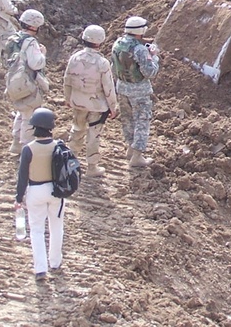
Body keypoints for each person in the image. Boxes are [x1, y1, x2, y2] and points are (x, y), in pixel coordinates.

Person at [14, 107, 64, 282]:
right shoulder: (58, 146)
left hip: (35, 191)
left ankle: (40, 269)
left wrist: (18, 198)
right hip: (56, 191)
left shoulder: (28, 149)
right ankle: (56, 263)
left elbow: (22, 176)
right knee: (56, 227)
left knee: (36, 230)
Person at [63, 24, 119, 177]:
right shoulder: (102, 63)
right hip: (96, 105)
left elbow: (67, 80)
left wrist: (68, 98)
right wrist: (113, 107)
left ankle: (71, 163)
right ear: (101, 41)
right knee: (93, 135)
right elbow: (108, 88)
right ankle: (92, 167)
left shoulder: (75, 57)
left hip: (78, 102)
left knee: (77, 130)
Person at [111, 16, 160, 168]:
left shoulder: (118, 43)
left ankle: (130, 148)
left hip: (122, 87)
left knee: (127, 119)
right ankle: (137, 156)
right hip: (138, 90)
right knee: (142, 120)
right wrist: (154, 57)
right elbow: (150, 72)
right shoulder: (139, 49)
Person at [5, 9, 49, 155]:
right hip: (27, 82)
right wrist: (42, 54)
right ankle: (26, 148)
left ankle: (16, 143)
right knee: (29, 115)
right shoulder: (30, 42)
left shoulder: (14, 39)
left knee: (21, 111)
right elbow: (36, 64)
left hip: (13, 81)